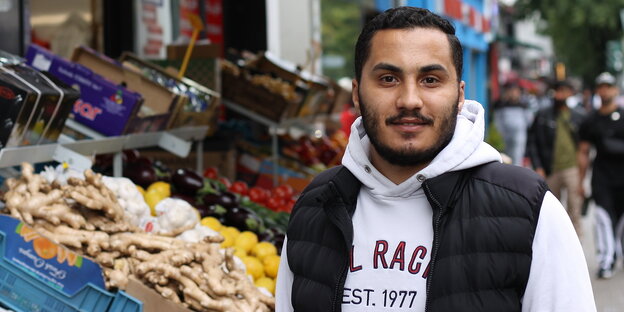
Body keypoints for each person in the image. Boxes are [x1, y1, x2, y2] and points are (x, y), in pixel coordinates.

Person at [275, 7, 595, 311]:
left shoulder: (529, 209)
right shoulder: (315, 207)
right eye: (388, 78)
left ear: (459, 95)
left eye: (430, 80)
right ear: (357, 94)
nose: (409, 100)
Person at [578, 71, 624, 279]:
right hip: (602, 177)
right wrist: (581, 181)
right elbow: (583, 152)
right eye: (601, 86)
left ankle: (618, 253)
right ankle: (606, 260)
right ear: (598, 90)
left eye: (608, 86)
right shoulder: (591, 120)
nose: (605, 90)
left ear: (615, 89)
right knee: (604, 219)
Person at [526, 80, 585, 236]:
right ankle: (554, 245)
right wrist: (538, 166)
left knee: (574, 211)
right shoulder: (543, 114)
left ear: (570, 93)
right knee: (551, 212)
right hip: (550, 169)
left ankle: (575, 250)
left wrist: (582, 173)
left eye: (564, 91)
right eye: (558, 91)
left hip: (572, 169)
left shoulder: (578, 116)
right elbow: (532, 142)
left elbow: (584, 146)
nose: (560, 95)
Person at [493, 81, 531, 166]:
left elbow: (528, 122)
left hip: (519, 138)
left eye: (515, 91)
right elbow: (497, 122)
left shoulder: (524, 105)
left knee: (517, 158)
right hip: (504, 138)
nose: (513, 93)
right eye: (511, 91)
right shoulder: (500, 104)